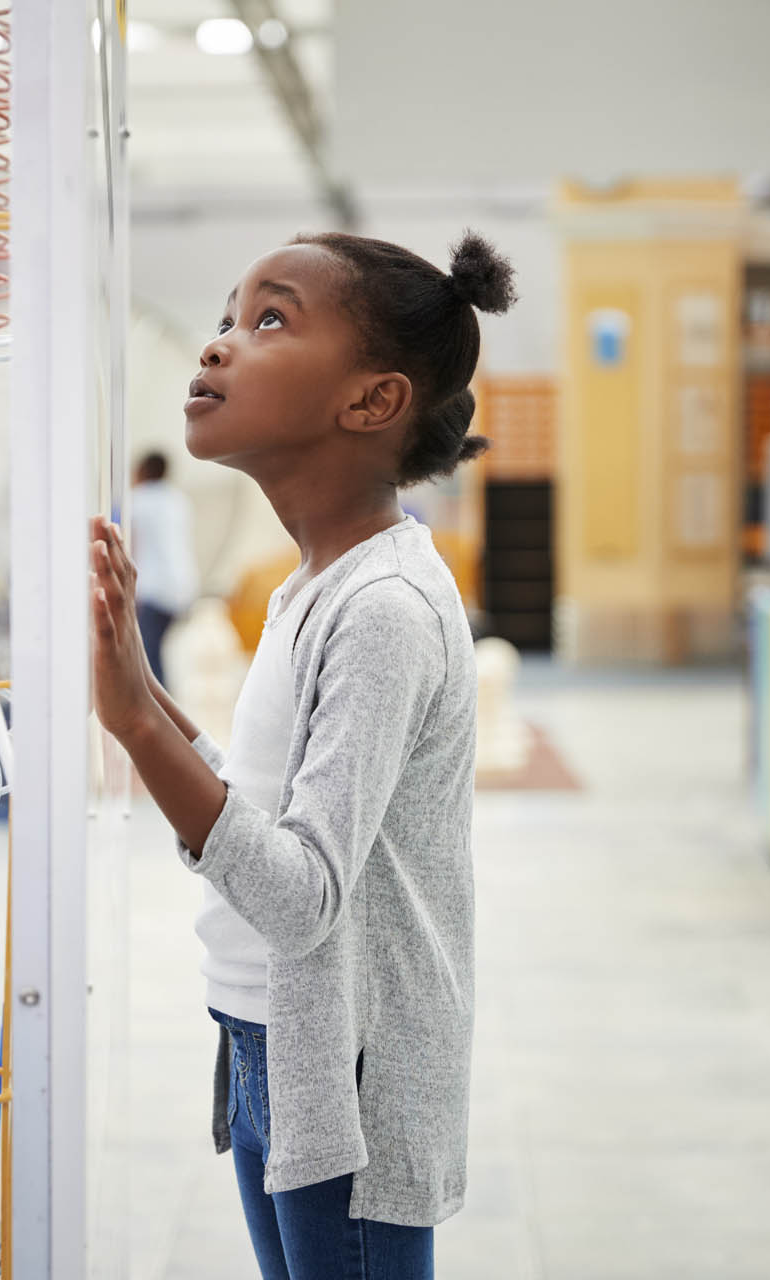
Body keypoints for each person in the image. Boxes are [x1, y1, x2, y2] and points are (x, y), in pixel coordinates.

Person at [89, 230, 515, 1280]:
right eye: (230, 316)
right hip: (267, 1039)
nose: (221, 345)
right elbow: (264, 800)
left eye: (269, 319)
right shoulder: (317, 584)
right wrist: (138, 689)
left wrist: (143, 730)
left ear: (371, 402)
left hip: (343, 1073)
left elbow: (302, 894)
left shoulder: (383, 610)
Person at [126, 450, 198, 687]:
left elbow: (130, 546)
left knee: (149, 657)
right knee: (158, 653)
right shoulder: (178, 500)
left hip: (152, 590)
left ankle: (160, 709)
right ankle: (166, 702)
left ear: (142, 471)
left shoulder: (138, 501)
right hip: (182, 587)